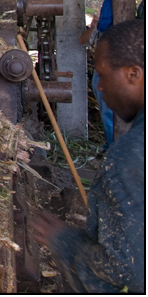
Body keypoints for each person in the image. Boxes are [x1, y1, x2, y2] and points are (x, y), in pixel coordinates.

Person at [33, 19, 145, 293]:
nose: (100, 87)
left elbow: (123, 270)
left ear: (133, 74)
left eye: (103, 74)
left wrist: (64, 239)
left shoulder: (130, 156)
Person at [79, 0, 114, 147]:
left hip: (111, 68)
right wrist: (93, 26)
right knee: (108, 110)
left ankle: (114, 145)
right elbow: (82, 40)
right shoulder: (101, 28)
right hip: (104, 69)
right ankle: (112, 144)